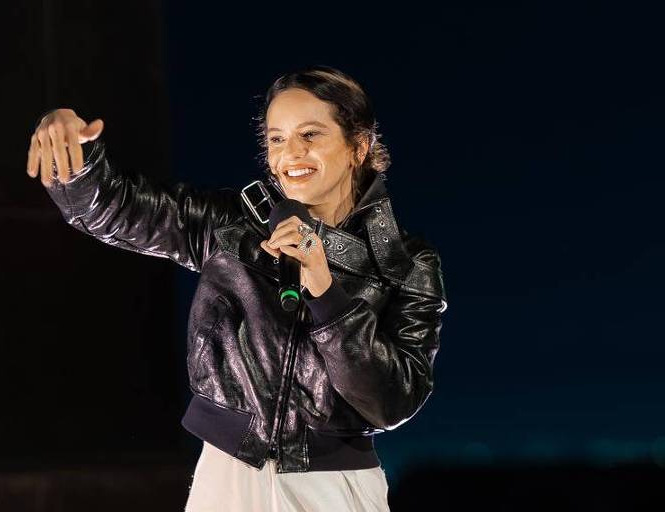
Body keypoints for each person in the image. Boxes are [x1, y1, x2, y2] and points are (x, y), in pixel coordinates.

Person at [25, 65, 448, 512]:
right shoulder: (232, 225)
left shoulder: (406, 263)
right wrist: (73, 155)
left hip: (335, 488)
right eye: (277, 138)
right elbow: (118, 209)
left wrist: (325, 290)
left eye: (311, 135)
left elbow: (393, 401)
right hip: (227, 479)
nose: (291, 153)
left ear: (358, 146)